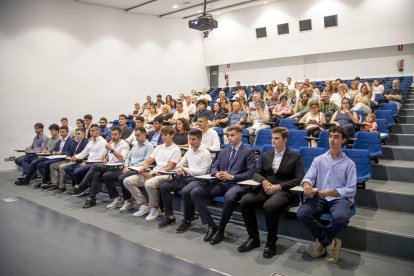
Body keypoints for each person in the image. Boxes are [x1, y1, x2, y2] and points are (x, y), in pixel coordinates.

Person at [238, 127, 304, 258]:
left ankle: (271, 242)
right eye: (272, 138)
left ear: (285, 140)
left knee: (270, 206)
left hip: (284, 190)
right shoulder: (266, 154)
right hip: (266, 187)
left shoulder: (295, 157)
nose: (273, 140)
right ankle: (253, 238)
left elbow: (299, 178)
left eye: (277, 138)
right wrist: (263, 181)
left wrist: (279, 186)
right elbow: (256, 173)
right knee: (245, 201)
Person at [297, 126, 356, 264]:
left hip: (339, 198)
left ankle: (321, 241)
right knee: (302, 213)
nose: (332, 140)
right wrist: (306, 185)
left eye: (336, 137)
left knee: (341, 217)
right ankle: (330, 242)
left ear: (343, 140)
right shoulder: (319, 160)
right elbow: (308, 178)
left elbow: (351, 189)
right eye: (330, 136)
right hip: (320, 198)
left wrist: (331, 192)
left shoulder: (349, 164)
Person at [190, 125, 256, 245]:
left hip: (237, 184)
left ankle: (221, 230)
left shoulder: (248, 151)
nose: (229, 138)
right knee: (195, 192)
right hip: (221, 182)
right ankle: (211, 225)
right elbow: (214, 165)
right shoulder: (224, 151)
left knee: (229, 197)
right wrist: (217, 173)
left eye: (232, 135)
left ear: (240, 136)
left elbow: (250, 173)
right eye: (228, 136)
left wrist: (233, 177)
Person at [123, 126, 182, 221]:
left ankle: (155, 208)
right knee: (127, 181)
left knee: (149, 183)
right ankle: (144, 204)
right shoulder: (159, 147)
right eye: (162, 135)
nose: (163, 137)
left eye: (166, 135)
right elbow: (149, 160)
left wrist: (153, 174)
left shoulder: (176, 149)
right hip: (154, 171)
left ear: (172, 135)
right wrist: (144, 167)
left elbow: (170, 167)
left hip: (166, 175)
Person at [158, 129, 212, 229]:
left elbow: (202, 172)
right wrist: (179, 168)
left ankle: (187, 220)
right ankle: (169, 216)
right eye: (190, 139)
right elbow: (179, 164)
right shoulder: (189, 151)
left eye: (193, 139)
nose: (191, 142)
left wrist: (185, 169)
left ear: (200, 139)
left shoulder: (206, 153)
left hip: (199, 180)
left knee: (186, 191)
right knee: (164, 187)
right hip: (186, 178)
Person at [104, 127, 154, 213]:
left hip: (140, 169)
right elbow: (127, 158)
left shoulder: (149, 146)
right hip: (130, 168)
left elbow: (146, 162)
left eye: (138, 135)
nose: (136, 137)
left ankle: (129, 201)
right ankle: (118, 198)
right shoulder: (135, 146)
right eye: (135, 136)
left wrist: (130, 168)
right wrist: (126, 166)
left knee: (121, 177)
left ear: (144, 135)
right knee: (106, 176)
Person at [81, 127, 130, 208]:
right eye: (112, 134)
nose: (113, 136)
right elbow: (108, 157)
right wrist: (105, 159)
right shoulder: (112, 144)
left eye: (115, 134)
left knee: (95, 166)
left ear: (120, 135)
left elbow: (122, 158)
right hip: (110, 166)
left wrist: (112, 150)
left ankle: (82, 185)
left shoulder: (124, 144)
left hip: (118, 167)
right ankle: (93, 199)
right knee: (97, 174)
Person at [49, 128, 89, 194]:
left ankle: (63, 187)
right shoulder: (76, 143)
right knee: (53, 165)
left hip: (80, 161)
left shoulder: (85, 142)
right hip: (72, 160)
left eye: (79, 134)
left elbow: (85, 154)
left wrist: (73, 157)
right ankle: (56, 184)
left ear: (83, 134)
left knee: (62, 167)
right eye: (76, 134)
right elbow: (70, 153)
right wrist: (69, 157)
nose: (77, 135)